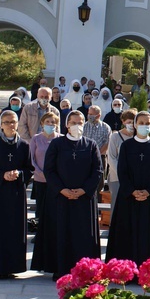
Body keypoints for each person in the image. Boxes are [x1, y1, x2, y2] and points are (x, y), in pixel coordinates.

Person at [43, 111, 103, 279]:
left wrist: (84, 190)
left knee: (83, 234)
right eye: (74, 122)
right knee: (62, 233)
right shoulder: (56, 144)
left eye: (80, 122)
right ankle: (61, 269)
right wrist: (62, 189)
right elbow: (49, 169)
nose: (77, 125)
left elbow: (97, 170)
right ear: (67, 125)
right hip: (61, 197)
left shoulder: (91, 145)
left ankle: (85, 270)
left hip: (84, 199)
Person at [106, 111, 150, 264]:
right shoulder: (126, 145)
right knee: (126, 232)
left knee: (146, 233)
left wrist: (148, 191)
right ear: (135, 124)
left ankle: (146, 269)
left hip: (148, 198)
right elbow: (122, 171)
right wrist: (132, 191)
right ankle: (124, 269)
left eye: (147, 123)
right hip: (128, 197)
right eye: (141, 123)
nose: (144, 126)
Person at [0, 110, 33, 279]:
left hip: (16, 193)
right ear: (1, 125)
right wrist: (2, 175)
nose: (11, 125)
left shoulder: (24, 146)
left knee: (14, 229)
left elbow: (29, 168)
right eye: (7, 122)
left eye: (14, 122)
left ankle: (13, 267)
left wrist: (19, 173)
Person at [29, 112, 61, 274]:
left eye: (53, 122)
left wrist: (55, 177)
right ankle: (40, 234)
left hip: (56, 183)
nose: (50, 124)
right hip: (41, 180)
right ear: (42, 123)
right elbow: (32, 160)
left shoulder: (60, 138)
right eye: (48, 121)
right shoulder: (36, 139)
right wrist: (42, 174)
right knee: (41, 209)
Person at [107, 109, 136, 220]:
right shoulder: (115, 137)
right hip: (117, 178)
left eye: (133, 122)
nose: (131, 125)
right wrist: (123, 174)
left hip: (134, 178)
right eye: (129, 122)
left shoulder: (138, 136)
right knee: (116, 206)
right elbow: (111, 158)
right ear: (123, 122)